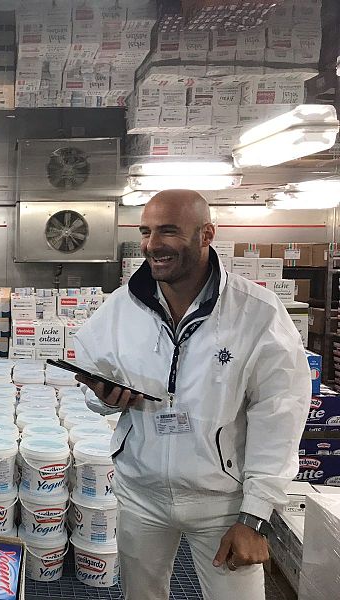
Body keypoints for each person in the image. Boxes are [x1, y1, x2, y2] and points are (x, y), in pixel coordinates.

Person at [73, 190, 310, 600]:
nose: (152, 244)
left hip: (221, 502)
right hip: (140, 490)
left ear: (206, 235)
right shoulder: (121, 307)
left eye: (168, 231)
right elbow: (94, 377)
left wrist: (254, 516)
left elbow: (280, 415)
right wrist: (103, 396)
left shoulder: (257, 313)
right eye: (146, 231)